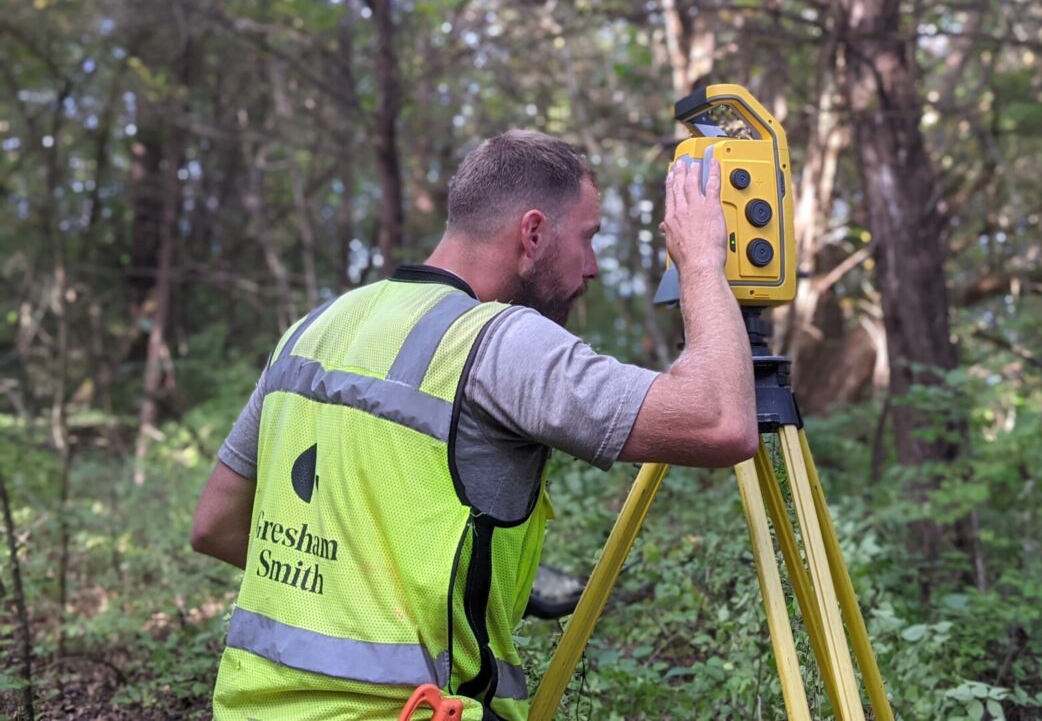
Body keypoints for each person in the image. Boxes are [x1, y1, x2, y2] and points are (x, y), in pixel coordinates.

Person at [191, 130, 756, 721]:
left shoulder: (314, 328)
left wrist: (378, 594)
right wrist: (700, 262)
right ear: (533, 233)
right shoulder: (499, 342)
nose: (590, 268)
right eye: (587, 240)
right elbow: (721, 421)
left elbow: (215, 525)